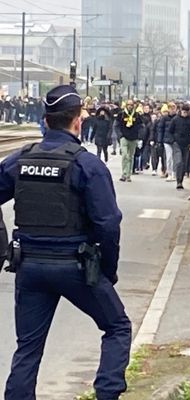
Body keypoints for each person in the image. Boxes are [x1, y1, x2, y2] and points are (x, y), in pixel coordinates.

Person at [0, 85, 131, 400]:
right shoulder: (87, 166)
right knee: (117, 328)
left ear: (45, 121)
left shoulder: (21, 159)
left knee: (28, 348)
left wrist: (3, 245)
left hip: (29, 266)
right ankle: (106, 393)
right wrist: (107, 271)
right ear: (77, 122)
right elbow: (108, 223)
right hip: (76, 266)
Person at [168, 104, 190, 190]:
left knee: (184, 163)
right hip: (177, 143)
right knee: (179, 162)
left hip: (187, 144)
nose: (185, 114)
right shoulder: (175, 119)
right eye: (183, 112)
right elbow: (170, 131)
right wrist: (173, 140)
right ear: (181, 111)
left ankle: (181, 180)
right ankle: (178, 181)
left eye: (186, 112)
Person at [117, 99, 143, 182]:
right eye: (128, 104)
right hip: (124, 137)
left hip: (133, 138)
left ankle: (129, 174)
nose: (130, 106)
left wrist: (139, 136)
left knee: (131, 157)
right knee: (125, 155)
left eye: (131, 105)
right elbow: (116, 125)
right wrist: (120, 135)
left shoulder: (137, 115)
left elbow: (141, 126)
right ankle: (124, 174)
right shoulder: (121, 114)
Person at [157, 102, 177, 181]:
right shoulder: (164, 118)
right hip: (167, 140)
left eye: (173, 108)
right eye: (170, 108)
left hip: (175, 140)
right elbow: (160, 129)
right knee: (169, 158)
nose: (172, 110)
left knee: (175, 158)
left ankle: (174, 173)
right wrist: (159, 140)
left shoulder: (177, 118)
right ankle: (169, 173)